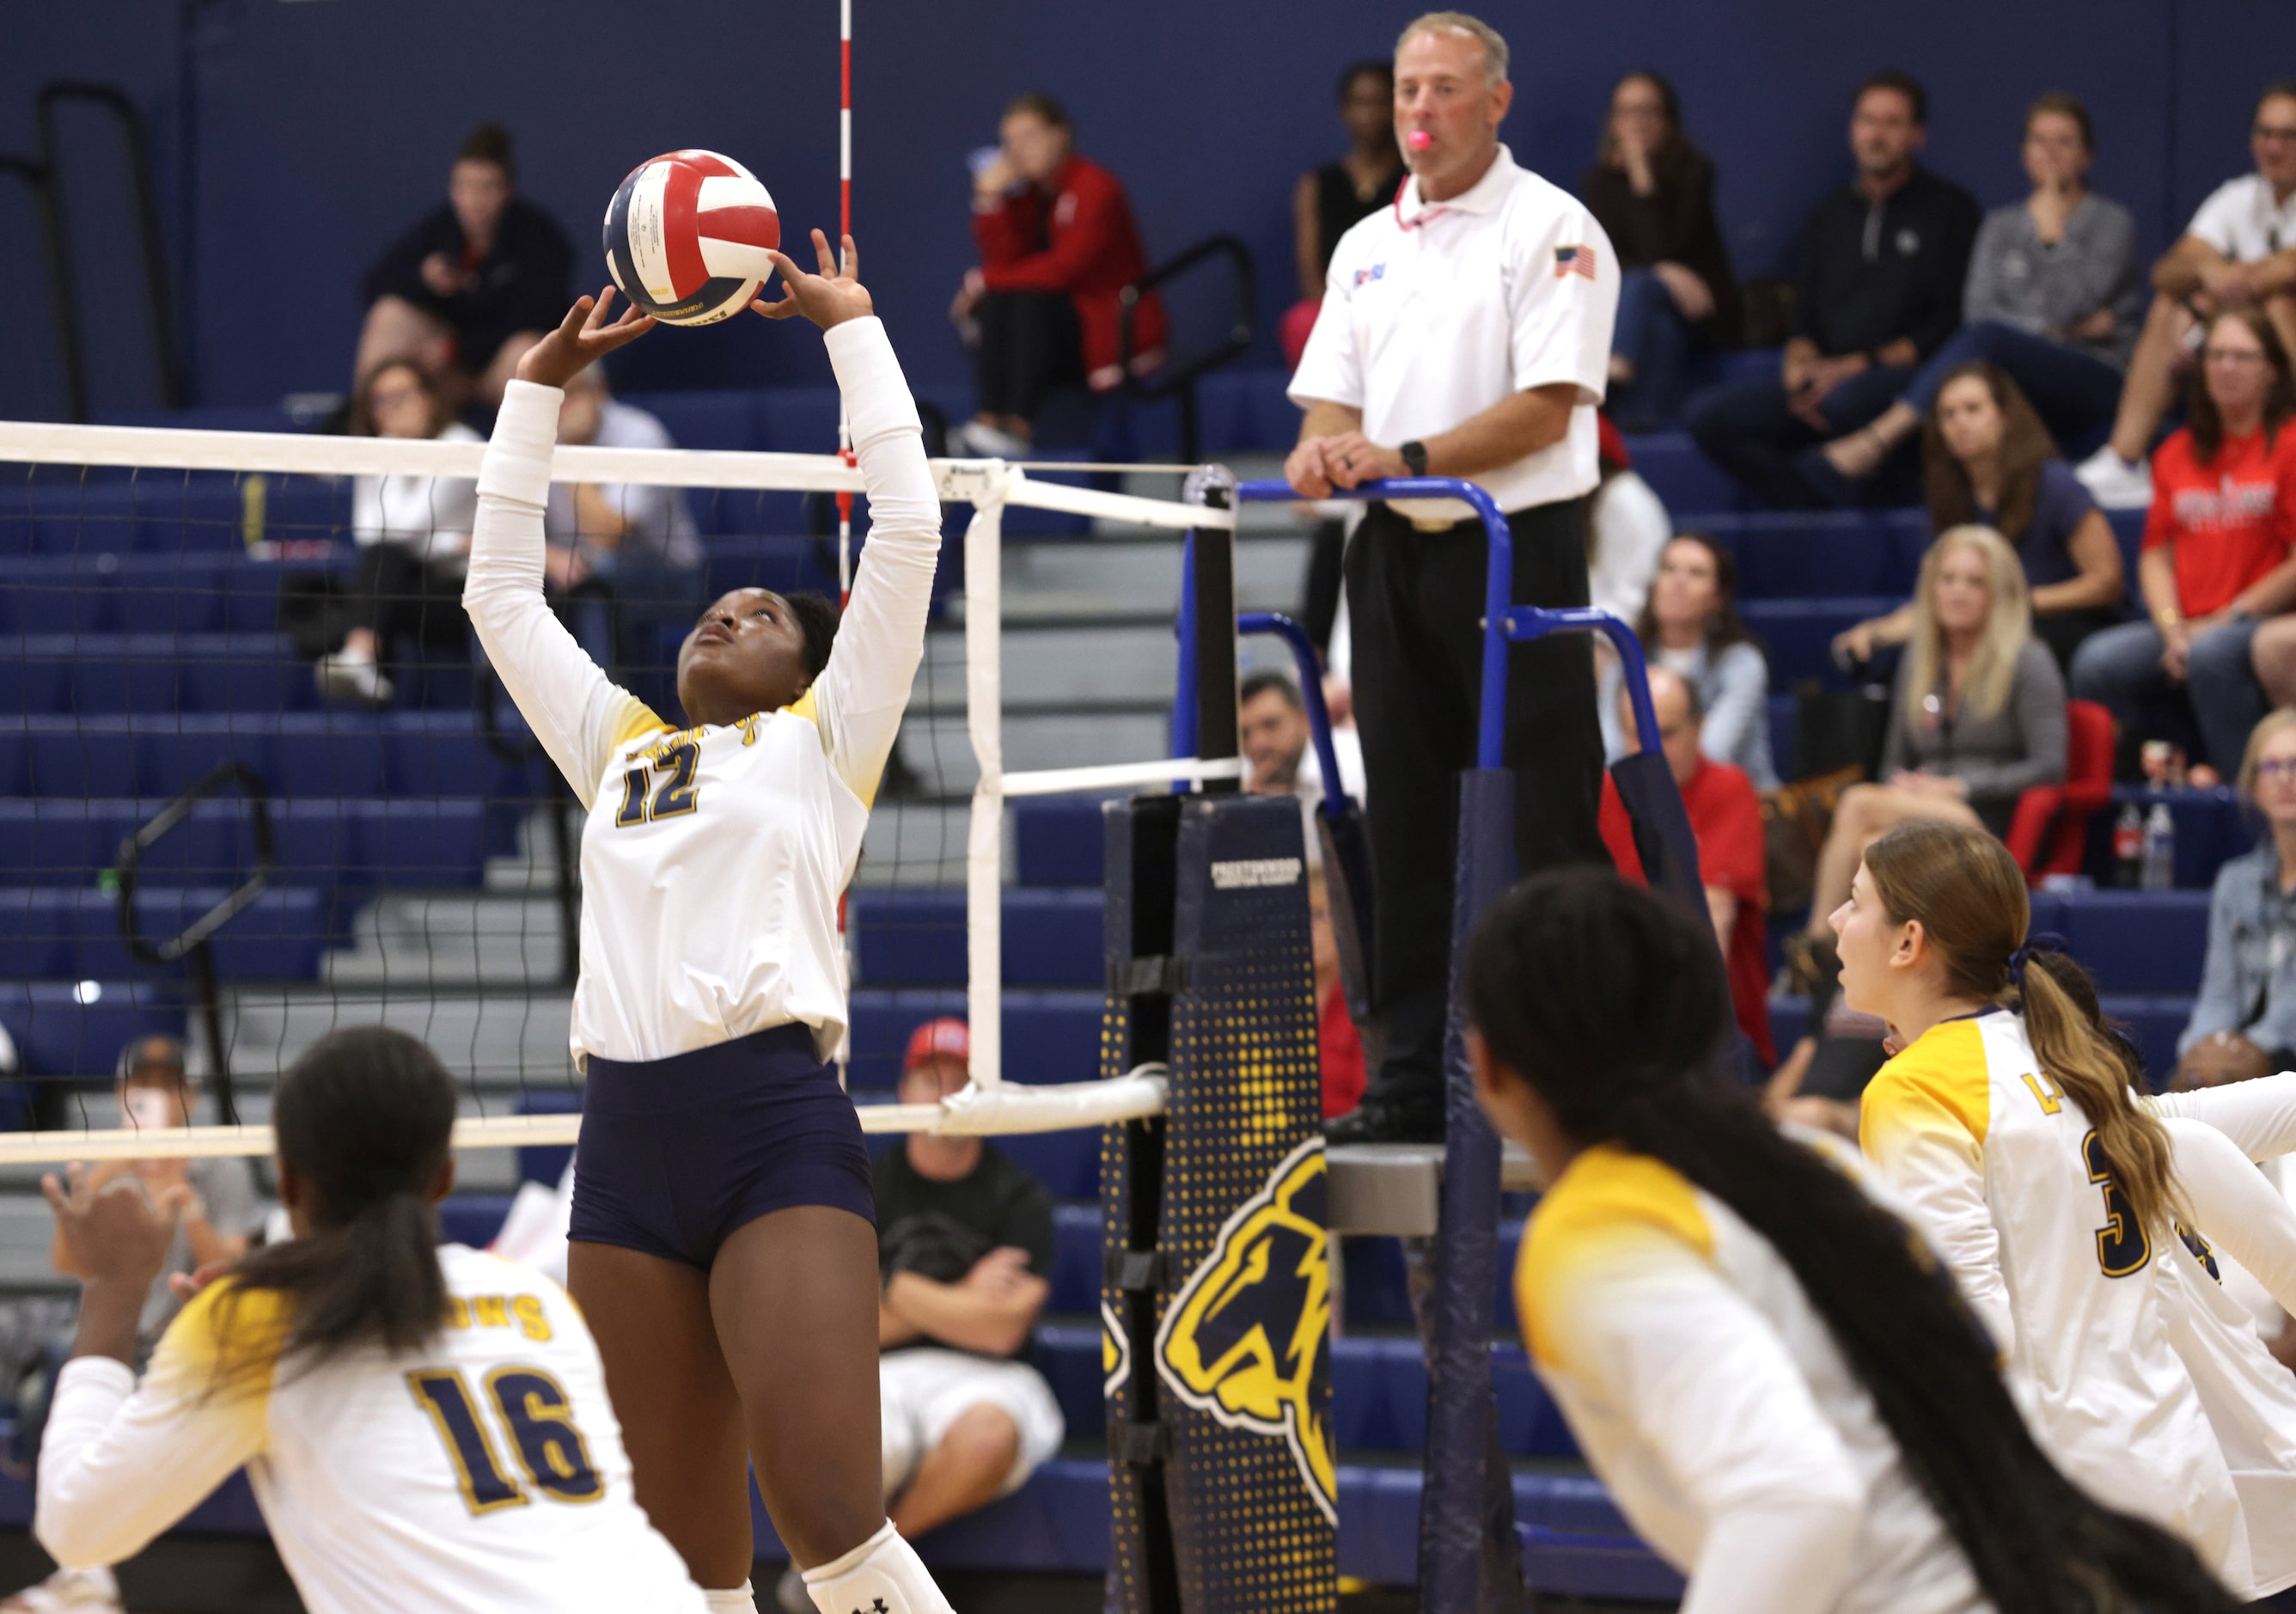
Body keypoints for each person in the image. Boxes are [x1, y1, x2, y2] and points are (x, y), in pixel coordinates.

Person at [461, 236, 957, 1614]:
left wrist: (852, 329)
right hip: (619, 1144)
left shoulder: (823, 743)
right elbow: (499, 595)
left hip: (767, 1122)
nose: (726, 610)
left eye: (761, 614)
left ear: (808, 670)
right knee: (678, 1574)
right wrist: (536, 390)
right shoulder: (619, 745)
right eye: (711, 610)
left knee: (837, 1530)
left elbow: (907, 532)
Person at [1465, 865, 2244, 1614]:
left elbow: (1792, 1499)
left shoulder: (1593, 1239)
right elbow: (1990, 1380)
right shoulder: (1814, 1163)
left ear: (1488, 1063)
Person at [30, 1025, 708, 1613]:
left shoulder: (255, 1324)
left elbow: (76, 1527)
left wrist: (113, 1288)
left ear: (288, 1180)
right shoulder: (535, 1300)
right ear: (444, 1176)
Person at [1285, 10, 1620, 1144]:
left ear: (1495, 102)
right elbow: (1333, 392)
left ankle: (1584, 1066)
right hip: (1387, 551)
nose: (1415, 108)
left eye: (1439, 88)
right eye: (1404, 88)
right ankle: (1410, 1075)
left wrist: (1407, 457)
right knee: (1403, 823)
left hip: (1513, 539)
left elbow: (1552, 402)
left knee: (1548, 818)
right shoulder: (1364, 242)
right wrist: (1327, 448)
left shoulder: (1552, 227)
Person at [1845, 822, 2296, 1597]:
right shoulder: (2060, 1060)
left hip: (2074, 1498)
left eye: (1853, 904)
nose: (1833, 923)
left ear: (1907, 941)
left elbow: (1971, 1336)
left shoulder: (1917, 1089)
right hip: (2181, 1466)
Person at [1686, 73, 1981, 510]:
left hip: (1903, 381)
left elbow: (1945, 328)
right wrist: (1800, 365)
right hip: (1826, 381)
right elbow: (1805, 316)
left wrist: (1856, 367)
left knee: (1848, 403)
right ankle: (1811, 496)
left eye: (1892, 122)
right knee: (1708, 418)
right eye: (1867, 120)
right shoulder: (1827, 215)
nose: (1876, 134)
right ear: (1852, 130)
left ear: (1917, 135)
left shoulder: (1951, 211)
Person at [1818, 93, 2139, 488]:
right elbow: (1979, 312)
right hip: (2016, 370)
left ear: (2087, 157)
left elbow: (2069, 302)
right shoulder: (2000, 226)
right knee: (1859, 396)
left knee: (1989, 342)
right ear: (2024, 153)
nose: (2050, 152)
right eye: (2039, 141)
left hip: (2096, 372)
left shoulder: (2110, 222)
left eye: (2065, 141)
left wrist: (2052, 238)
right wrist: (2057, 328)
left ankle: (1881, 437)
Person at [1800, 528, 2067, 946]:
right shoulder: (1920, 660)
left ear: (2000, 593)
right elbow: (1893, 762)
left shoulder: (2028, 660)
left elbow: (2050, 766)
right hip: (1918, 810)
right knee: (1868, 844)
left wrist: (1958, 786)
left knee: (1856, 802)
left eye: (1974, 582)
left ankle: (1817, 948)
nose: (1958, 592)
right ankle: (1856, 972)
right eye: (1948, 579)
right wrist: (1908, 788)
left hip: (1986, 818)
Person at [2070, 307, 2296, 775]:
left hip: (2256, 619)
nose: (2225, 368)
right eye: (2215, 355)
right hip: (2185, 623)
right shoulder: (2177, 452)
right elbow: (2155, 553)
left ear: (2272, 370)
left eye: (2241, 356)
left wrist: (2226, 619)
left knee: (2213, 656)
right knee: (2098, 662)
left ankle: (2242, 797)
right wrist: (2173, 627)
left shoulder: (2290, 445)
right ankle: (2161, 779)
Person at [870, 1022, 1062, 1542]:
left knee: (988, 1439)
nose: (946, 1095)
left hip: (990, 1375)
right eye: (932, 1079)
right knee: (847, 1444)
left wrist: (893, 1286)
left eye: (962, 1081)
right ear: (904, 1091)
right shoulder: (863, 1186)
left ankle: (879, 1565)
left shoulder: (1022, 1198)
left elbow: (999, 1332)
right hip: (881, 1370)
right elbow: (851, 1332)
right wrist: (964, 1299)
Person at [2079, 83, 2296, 510]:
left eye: (2289, 135)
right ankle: (2124, 461)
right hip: (2247, 347)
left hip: (2280, 340)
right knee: (2169, 306)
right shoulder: (2238, 197)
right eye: (2264, 133)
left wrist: (2208, 302)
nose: (2274, 147)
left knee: (2278, 304)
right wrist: (2206, 272)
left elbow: (2285, 270)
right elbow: (2167, 271)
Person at [1831, 364, 2125, 674]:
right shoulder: (1949, 499)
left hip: (2067, 624)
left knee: (1996, 645)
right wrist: (1878, 632)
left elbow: (2106, 582)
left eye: (1973, 409)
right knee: (1909, 655)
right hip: (1987, 625)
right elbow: (1938, 597)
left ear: (2005, 416)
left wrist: (2015, 603)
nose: (1960, 423)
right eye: (1948, 414)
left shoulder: (2054, 483)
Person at [950, 95, 1166, 455]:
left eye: (1029, 136)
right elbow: (1005, 262)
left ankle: (1018, 424)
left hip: (1109, 331)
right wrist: (990, 200)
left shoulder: (1097, 187)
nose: (1017, 151)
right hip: (1059, 334)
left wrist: (983, 282)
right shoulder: (1026, 196)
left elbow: (1065, 270)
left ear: (1060, 135)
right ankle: (990, 418)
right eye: (1009, 141)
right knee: (999, 300)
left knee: (1027, 298)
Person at [1598, 667, 1774, 1066]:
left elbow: (1711, 925)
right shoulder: (1609, 793)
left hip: (1710, 1024)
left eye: (1668, 732)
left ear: (1700, 727)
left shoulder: (1728, 788)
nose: (1650, 748)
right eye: (1634, 732)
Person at [354, 124, 573, 411]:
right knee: (389, 315)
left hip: (498, 368)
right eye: (464, 187)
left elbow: (544, 313)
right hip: (442, 373)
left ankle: (532, 450)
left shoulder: (538, 237)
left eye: (486, 188)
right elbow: (374, 284)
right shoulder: (438, 229)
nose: (474, 200)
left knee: (529, 350)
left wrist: (456, 349)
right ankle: (362, 437)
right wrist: (423, 278)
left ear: (507, 191)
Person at [314, 358, 483, 706]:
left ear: (428, 398)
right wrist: (452, 542)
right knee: (378, 566)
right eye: (381, 401)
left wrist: (392, 446)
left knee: (380, 566)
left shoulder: (462, 445)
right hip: (406, 582)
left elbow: (406, 527)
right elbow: (369, 533)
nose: (392, 409)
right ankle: (364, 668)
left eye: (402, 396)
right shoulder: (376, 451)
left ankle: (360, 658)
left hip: (467, 593)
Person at [1579, 70, 1738, 429]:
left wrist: (1640, 172)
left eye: (1648, 111)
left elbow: (1667, 247)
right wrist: (1661, 272)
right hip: (1642, 313)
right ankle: (1638, 426)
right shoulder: (1599, 182)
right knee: (1656, 320)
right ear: (1612, 121)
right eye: (1627, 112)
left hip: (1699, 310)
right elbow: (1602, 260)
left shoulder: (1695, 173)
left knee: (1642, 283)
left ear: (1667, 119)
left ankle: (1615, 370)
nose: (1637, 122)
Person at [547, 365, 706, 682]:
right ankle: (508, 722)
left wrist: (571, 453)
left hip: (667, 577)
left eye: (572, 393)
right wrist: (549, 558)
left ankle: (605, 715)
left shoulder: (641, 435)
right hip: (568, 569)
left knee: (595, 581)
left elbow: (608, 535)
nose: (562, 407)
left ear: (599, 391)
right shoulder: (529, 437)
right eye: (553, 395)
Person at [1599, 533, 1774, 788]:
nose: (1678, 582)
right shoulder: (1625, 661)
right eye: (1669, 569)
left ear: (1718, 598)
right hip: (1645, 804)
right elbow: (1610, 753)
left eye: (1696, 573)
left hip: (1736, 805)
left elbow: (1711, 753)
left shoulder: (1742, 663)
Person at [2180, 709, 2296, 1086]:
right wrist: (2201, 1050)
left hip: (2281, 1056)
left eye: (2295, 765)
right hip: (2237, 1061)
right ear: (2253, 784)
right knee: (2193, 1075)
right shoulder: (2235, 880)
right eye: (2271, 767)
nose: (2284, 779)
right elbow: (2219, 991)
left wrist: (2241, 1055)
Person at [1283, 60, 1402, 370]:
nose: (1369, 115)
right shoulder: (1318, 185)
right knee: (1301, 322)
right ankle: (1330, 416)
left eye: (1379, 102)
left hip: (1402, 309)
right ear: (1344, 111)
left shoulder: (1419, 181)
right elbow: (1311, 275)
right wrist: (1343, 316)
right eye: (1359, 103)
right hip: (1336, 311)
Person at [1585, 413, 1673, 627]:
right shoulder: (1588, 502)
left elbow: (1636, 590)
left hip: (1620, 638)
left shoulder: (1625, 498)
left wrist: (1601, 640)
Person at [1239, 666, 1314, 797]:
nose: (1257, 743)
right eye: (1245, 734)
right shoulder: (1240, 781)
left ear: (1305, 720)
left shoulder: (1351, 770)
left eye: (1271, 724)